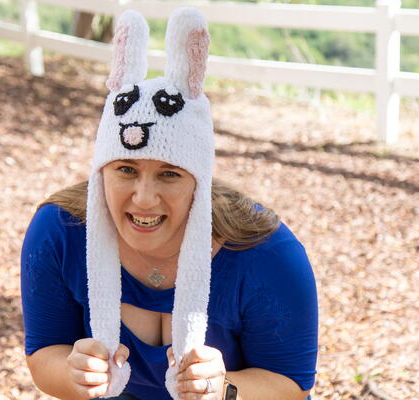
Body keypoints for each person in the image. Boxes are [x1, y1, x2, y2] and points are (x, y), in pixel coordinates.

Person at [20, 7, 318, 400]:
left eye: (169, 173)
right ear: (101, 172)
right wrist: (74, 372)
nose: (144, 198)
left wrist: (222, 389)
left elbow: (290, 384)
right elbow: (45, 355)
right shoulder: (60, 233)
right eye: (125, 169)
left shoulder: (265, 253)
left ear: (199, 180)